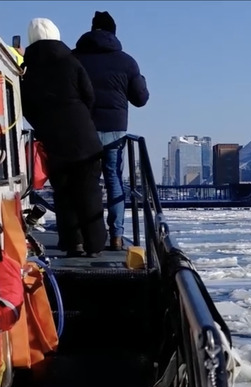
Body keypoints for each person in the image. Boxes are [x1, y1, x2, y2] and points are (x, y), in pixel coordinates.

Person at [20, 18, 107, 257]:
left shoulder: (29, 70)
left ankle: (73, 243)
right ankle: (95, 243)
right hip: (83, 135)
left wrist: (45, 127)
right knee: (89, 190)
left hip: (54, 139)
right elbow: (88, 95)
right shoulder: (71, 61)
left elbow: (26, 108)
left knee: (64, 192)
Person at [73, 11, 149, 251]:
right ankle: (116, 236)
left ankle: (88, 234)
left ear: (92, 29)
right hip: (115, 130)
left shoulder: (75, 58)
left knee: (87, 182)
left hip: (84, 129)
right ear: (114, 33)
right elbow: (140, 99)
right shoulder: (126, 61)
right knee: (114, 180)